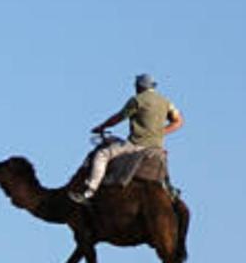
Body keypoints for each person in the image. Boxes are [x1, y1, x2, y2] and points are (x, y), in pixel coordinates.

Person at [70, 73, 183, 204]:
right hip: (157, 146)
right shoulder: (166, 102)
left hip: (136, 144)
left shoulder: (137, 100)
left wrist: (101, 127)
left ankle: (89, 191)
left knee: (102, 154)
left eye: (136, 86)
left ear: (140, 86)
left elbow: (119, 117)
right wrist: (160, 133)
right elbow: (178, 121)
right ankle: (169, 189)